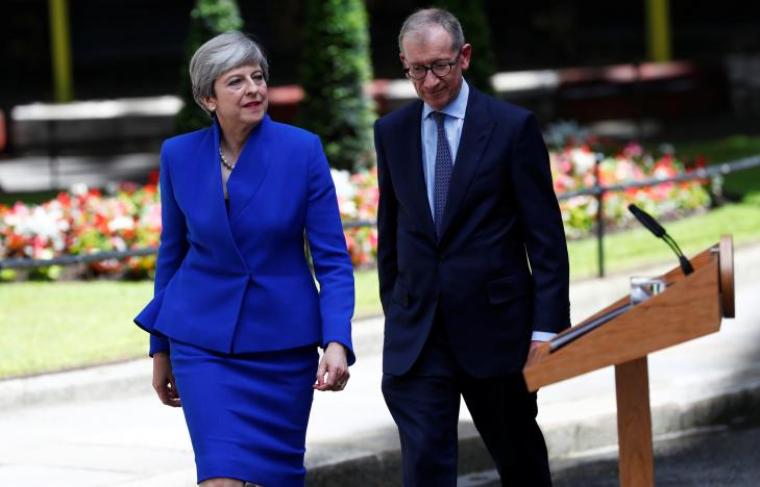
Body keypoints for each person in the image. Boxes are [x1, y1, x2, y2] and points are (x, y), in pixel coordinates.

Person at [134, 31, 355, 487]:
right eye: (235, 81)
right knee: (219, 477)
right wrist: (160, 348)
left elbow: (332, 260)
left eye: (258, 77)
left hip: (282, 345)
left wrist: (337, 339)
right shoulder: (179, 155)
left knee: (276, 479)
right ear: (207, 98)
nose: (253, 89)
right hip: (201, 343)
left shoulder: (302, 150)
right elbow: (171, 254)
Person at [374, 8, 570, 486]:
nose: (431, 80)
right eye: (417, 69)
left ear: (464, 57)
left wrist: (546, 331)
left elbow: (544, 238)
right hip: (419, 337)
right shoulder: (392, 132)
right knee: (424, 466)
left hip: (497, 333)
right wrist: (397, 309)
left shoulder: (510, 127)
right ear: (404, 63)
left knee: (520, 460)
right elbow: (391, 231)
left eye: (440, 65)